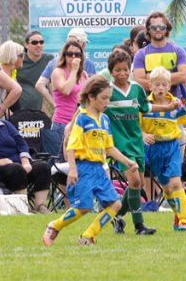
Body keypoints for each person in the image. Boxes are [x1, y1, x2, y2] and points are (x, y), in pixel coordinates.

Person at [42, 77, 139, 246]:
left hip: (99, 169)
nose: (107, 102)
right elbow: (71, 145)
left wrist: (127, 162)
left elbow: (109, 147)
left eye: (109, 98)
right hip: (83, 168)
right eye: (104, 98)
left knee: (115, 204)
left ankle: (88, 236)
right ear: (91, 97)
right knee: (83, 208)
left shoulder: (105, 120)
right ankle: (54, 226)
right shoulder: (82, 118)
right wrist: (73, 169)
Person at [102, 50, 169, 235]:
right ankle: (139, 226)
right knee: (134, 180)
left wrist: (168, 106)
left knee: (136, 185)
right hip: (119, 144)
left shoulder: (137, 89)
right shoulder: (107, 91)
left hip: (136, 143)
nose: (122, 73)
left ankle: (116, 216)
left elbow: (146, 107)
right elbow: (91, 108)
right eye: (117, 70)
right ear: (111, 71)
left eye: (125, 69)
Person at [142, 67, 186, 231]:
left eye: (164, 85)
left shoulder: (176, 103)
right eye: (157, 85)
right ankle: (177, 215)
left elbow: (185, 120)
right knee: (167, 188)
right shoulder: (145, 105)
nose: (160, 88)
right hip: (153, 149)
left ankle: (184, 221)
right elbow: (135, 124)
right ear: (150, 86)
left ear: (169, 86)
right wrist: (143, 135)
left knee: (176, 183)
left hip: (171, 147)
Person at [34, 28, 98, 114]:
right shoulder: (88, 64)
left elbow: (40, 85)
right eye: (69, 54)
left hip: (69, 113)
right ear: (83, 45)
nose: (73, 56)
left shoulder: (54, 63)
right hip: (76, 114)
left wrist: (55, 103)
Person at [134, 12, 186, 100]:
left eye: (162, 27)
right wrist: (170, 79)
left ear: (167, 29)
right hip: (151, 106)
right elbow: (139, 82)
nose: (158, 30)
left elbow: (183, 77)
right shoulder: (140, 54)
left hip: (175, 105)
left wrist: (151, 78)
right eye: (154, 27)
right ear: (148, 30)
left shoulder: (178, 51)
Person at [17, 31, 54, 113]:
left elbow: (52, 83)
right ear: (26, 45)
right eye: (34, 42)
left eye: (41, 42)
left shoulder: (49, 59)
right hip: (19, 110)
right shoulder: (19, 59)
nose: (39, 45)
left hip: (41, 109)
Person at [0, 40, 26, 115]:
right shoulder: (0, 72)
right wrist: (2, 110)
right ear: (13, 56)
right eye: (21, 55)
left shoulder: (11, 73)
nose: (23, 58)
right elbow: (17, 90)